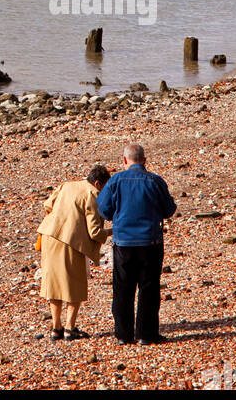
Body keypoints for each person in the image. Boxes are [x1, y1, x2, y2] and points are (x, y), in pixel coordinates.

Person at [97, 142, 176, 345]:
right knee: (148, 288)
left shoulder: (116, 181)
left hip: (124, 242)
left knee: (123, 288)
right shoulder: (155, 181)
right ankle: (146, 334)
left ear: (124, 160)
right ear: (144, 160)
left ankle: (123, 334)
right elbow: (169, 209)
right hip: (150, 241)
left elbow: (104, 210)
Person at [37, 165, 111, 341]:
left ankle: (56, 328)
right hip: (70, 242)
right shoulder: (93, 194)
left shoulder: (67, 185)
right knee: (74, 285)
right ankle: (70, 328)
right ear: (98, 183)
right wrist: (112, 231)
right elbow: (94, 232)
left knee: (54, 285)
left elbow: (47, 204)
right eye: (105, 187)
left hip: (49, 236)